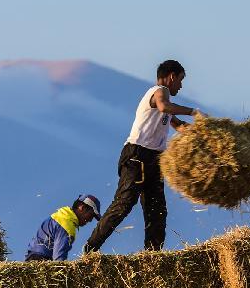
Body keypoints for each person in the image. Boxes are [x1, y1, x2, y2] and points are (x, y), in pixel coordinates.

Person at [83, 60, 204, 254]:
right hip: (136, 156)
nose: (180, 86)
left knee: (157, 211)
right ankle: (90, 249)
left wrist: (205, 132)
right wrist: (193, 112)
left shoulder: (165, 106)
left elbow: (178, 125)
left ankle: (152, 257)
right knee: (124, 203)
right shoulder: (160, 91)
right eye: (180, 80)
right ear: (171, 76)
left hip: (155, 160)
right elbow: (164, 106)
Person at [26, 195, 102, 261]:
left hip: (33, 256)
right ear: (81, 207)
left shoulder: (59, 216)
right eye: (91, 215)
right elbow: (59, 258)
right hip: (41, 258)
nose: (90, 220)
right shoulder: (66, 224)